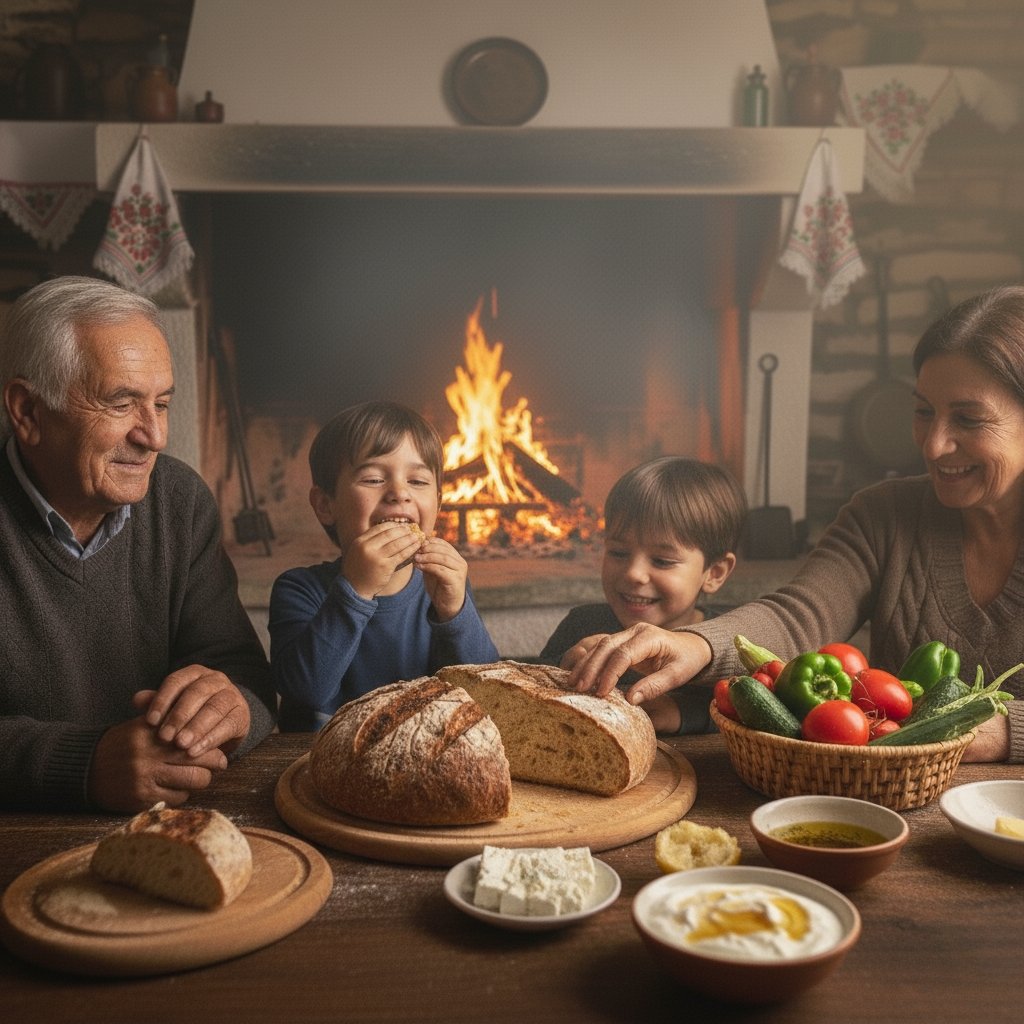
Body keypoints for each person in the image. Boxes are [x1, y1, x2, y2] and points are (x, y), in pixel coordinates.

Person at [563, 285, 1024, 763]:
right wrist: (692, 643)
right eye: (924, 412)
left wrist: (1008, 731)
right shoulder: (883, 516)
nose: (932, 445)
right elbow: (797, 616)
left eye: (968, 420)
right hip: (892, 803)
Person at [0, 276, 277, 813]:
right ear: (28, 412)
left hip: (170, 824)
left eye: (163, 404)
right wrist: (81, 763)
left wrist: (233, 708)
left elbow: (245, 675)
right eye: (121, 403)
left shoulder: (179, 501)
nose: (154, 436)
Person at [269, 400, 499, 730]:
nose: (398, 493)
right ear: (325, 504)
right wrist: (356, 590)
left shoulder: (441, 589)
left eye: (418, 482)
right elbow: (305, 693)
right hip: (318, 766)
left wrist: (455, 612)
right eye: (374, 479)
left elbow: (484, 690)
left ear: (438, 504)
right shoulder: (300, 589)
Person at [538, 456, 746, 734]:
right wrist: (564, 671)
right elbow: (534, 689)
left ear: (715, 572)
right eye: (618, 553)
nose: (634, 574)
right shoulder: (581, 623)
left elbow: (745, 714)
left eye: (662, 561)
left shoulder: (726, 651)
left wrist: (682, 714)